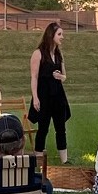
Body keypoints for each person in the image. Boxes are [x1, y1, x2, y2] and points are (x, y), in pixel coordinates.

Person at [28, 22, 71, 165]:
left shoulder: (58, 54)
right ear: (51, 35)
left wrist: (60, 77)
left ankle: (64, 160)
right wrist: (35, 97)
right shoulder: (38, 53)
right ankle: (38, 160)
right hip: (44, 95)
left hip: (58, 96)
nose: (62, 37)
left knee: (61, 129)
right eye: (59, 34)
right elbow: (34, 77)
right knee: (43, 128)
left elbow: (64, 76)